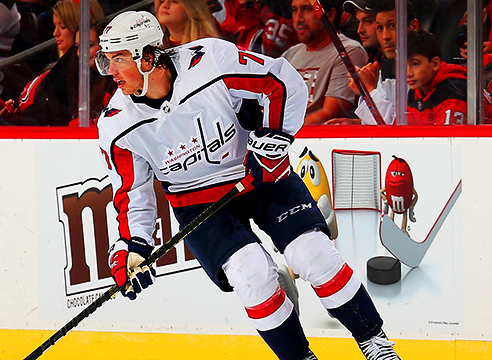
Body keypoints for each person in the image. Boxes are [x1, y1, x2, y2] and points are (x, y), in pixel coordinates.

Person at [96, 10, 401, 360]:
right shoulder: (117, 124)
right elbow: (133, 193)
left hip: (260, 176)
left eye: (118, 59)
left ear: (147, 57)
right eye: (106, 60)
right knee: (252, 276)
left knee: (313, 255)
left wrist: (274, 140)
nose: (110, 70)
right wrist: (133, 246)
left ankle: (374, 342)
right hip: (199, 207)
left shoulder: (210, 61)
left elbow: (281, 82)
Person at [0, 0, 106, 126]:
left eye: (63, 27)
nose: (55, 33)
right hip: (26, 124)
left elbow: (51, 112)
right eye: (55, 26)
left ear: (79, 28)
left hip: (35, 130)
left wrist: (20, 118)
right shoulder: (60, 65)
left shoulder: (78, 67)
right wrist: (14, 112)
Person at [282, 0, 368, 125]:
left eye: (307, 9)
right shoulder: (290, 54)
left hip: (317, 140)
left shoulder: (348, 51)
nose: (298, 18)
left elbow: (330, 112)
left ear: (330, 15)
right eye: (294, 10)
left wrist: (281, 131)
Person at [351, 0, 419, 125]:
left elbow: (398, 127)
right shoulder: (387, 67)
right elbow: (382, 122)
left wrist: (369, 91)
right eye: (380, 28)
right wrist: (357, 123)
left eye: (392, 26)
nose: (385, 36)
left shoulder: (428, 68)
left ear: (414, 26)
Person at [406, 30, 467, 125]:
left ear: (435, 63)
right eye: (402, 65)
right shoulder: (414, 92)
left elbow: (449, 139)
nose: (408, 73)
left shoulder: (454, 91)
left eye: (415, 64)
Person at [154, 0, 221, 48]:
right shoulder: (157, 49)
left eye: (174, 1)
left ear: (191, 8)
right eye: (162, 1)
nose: (165, 5)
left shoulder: (210, 46)